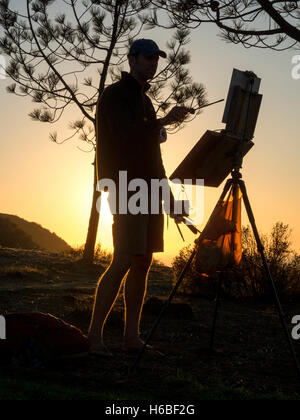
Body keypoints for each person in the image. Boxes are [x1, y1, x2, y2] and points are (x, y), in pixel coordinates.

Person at [88, 39, 190, 354]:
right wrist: (163, 122)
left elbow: (152, 158)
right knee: (123, 259)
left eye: (156, 59)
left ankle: (131, 338)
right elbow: (125, 139)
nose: (152, 63)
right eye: (147, 58)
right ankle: (93, 339)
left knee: (143, 261)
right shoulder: (115, 96)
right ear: (131, 59)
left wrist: (169, 198)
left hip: (147, 188)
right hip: (124, 185)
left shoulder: (144, 102)